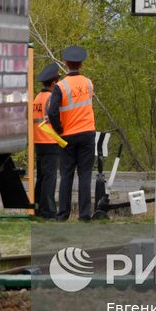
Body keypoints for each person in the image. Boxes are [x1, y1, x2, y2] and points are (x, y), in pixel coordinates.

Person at [47, 45, 97, 221]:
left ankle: (63, 215)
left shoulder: (60, 86)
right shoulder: (89, 83)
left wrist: (58, 128)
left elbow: (52, 112)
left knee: (66, 175)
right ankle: (84, 215)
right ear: (81, 65)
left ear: (65, 63)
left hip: (67, 135)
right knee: (85, 175)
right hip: (88, 133)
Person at [31, 64, 64, 218]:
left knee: (42, 177)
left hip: (38, 142)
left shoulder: (37, 98)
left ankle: (37, 207)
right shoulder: (51, 98)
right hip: (50, 141)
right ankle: (49, 211)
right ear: (53, 83)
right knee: (49, 178)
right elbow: (56, 117)